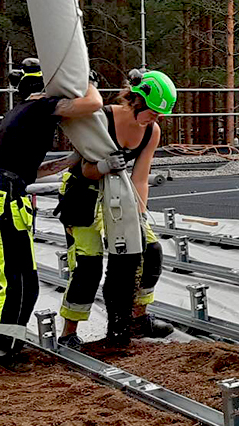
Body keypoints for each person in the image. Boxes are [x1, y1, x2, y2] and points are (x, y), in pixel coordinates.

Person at [0, 62, 103, 366]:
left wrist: (71, 160)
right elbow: (93, 103)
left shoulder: (18, 112)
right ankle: (3, 349)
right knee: (24, 281)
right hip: (4, 198)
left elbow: (28, 170)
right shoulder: (43, 107)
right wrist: (87, 80)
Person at [55, 69, 176, 348]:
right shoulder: (100, 119)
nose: (157, 119)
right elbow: (83, 169)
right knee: (88, 264)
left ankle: (138, 317)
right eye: (153, 112)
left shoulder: (151, 132)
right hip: (83, 193)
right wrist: (104, 166)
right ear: (136, 100)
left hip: (120, 193)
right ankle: (68, 332)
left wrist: (140, 215)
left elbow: (141, 178)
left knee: (150, 250)